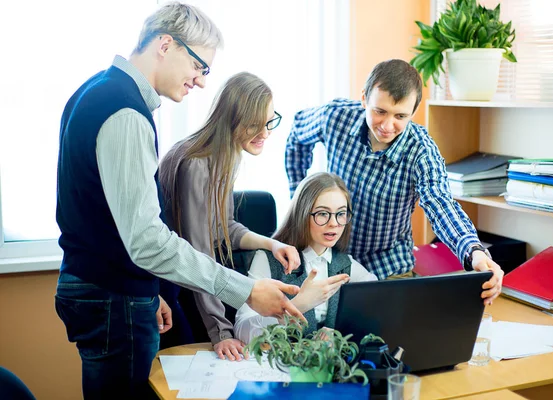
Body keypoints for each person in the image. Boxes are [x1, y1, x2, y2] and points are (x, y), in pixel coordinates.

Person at [54, 3, 303, 398]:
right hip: (111, 297)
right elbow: (148, 238)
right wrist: (246, 290)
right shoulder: (125, 113)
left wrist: (149, 291)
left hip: (110, 289)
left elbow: (104, 218)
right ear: (166, 45)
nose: (201, 81)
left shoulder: (95, 92)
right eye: (200, 66)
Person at [285, 59, 504, 306]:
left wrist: (474, 251)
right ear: (365, 99)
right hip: (329, 260)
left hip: (386, 267)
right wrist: (298, 195)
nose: (387, 126)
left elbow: (441, 205)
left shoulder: (421, 150)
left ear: (414, 111)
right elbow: (297, 134)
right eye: (380, 111)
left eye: (400, 116)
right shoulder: (335, 117)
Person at [158, 71, 300, 361]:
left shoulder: (226, 155)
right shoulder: (196, 164)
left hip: (196, 283)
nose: (265, 134)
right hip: (174, 289)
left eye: (269, 122)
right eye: (254, 126)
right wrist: (221, 332)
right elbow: (199, 253)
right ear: (231, 120)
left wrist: (271, 244)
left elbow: (225, 229)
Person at [234, 172, 377, 343]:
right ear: (302, 214)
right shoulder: (267, 259)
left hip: (324, 367)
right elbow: (242, 331)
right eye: (323, 214)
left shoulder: (346, 264)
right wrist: (298, 305)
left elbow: (380, 301)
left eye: (341, 214)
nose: (334, 223)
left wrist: (341, 335)